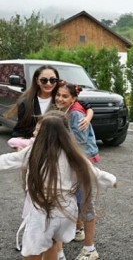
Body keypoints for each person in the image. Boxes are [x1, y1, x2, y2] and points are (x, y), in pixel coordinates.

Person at [0, 110, 117, 260]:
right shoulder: (72, 154)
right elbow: (93, 172)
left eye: (38, 130)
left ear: (45, 134)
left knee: (32, 252)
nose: (35, 132)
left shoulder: (35, 151)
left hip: (44, 211)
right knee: (52, 244)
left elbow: (10, 160)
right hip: (66, 211)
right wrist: (112, 180)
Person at [55, 82, 101, 260]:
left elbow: (79, 142)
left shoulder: (75, 113)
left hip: (83, 162)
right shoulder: (69, 110)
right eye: (58, 95)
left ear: (73, 99)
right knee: (75, 197)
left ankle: (90, 249)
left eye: (64, 96)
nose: (60, 98)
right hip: (77, 161)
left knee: (85, 202)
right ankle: (78, 230)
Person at [5, 65, 93, 139]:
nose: (48, 84)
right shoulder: (26, 103)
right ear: (37, 81)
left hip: (56, 151)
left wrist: (88, 118)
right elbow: (19, 131)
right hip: (34, 150)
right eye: (44, 80)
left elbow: (85, 105)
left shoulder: (60, 98)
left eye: (52, 80)